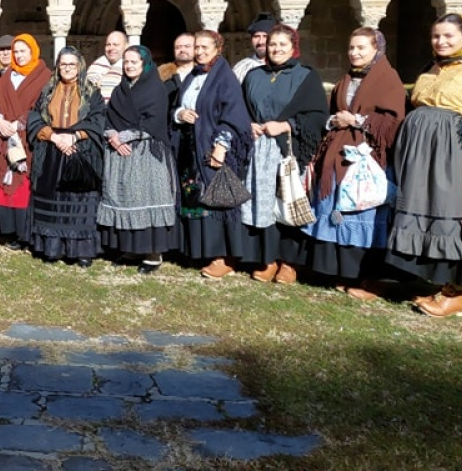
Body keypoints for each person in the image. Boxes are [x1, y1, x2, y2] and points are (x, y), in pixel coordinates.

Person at [385, 14, 462, 317]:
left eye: (448, 36)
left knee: (453, 216)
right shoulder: (433, 67)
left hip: (454, 155)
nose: (441, 42)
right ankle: (439, 283)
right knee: (426, 215)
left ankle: (456, 293)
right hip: (422, 157)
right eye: (436, 36)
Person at [303, 28, 404, 300]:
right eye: (351, 48)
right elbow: (336, 111)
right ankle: (343, 273)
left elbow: (393, 122)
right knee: (339, 208)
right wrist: (337, 121)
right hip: (339, 151)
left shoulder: (388, 79)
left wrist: (357, 121)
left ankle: (370, 279)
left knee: (363, 211)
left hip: (368, 157)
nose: (354, 53)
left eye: (361, 48)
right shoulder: (347, 78)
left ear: (376, 49)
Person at [237, 24, 328, 283]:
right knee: (263, 205)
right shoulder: (254, 75)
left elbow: (318, 115)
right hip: (260, 148)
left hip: (288, 148)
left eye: (282, 45)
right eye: (272, 44)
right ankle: (267, 260)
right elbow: (242, 107)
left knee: (287, 202)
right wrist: (249, 123)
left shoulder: (305, 76)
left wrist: (288, 125)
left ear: (293, 47)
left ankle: (289, 263)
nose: (276, 49)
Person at [172, 31, 253, 279]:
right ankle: (197, 250)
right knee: (194, 198)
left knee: (216, 198)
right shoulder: (193, 76)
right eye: (197, 47)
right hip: (189, 147)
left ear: (218, 48)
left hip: (213, 147)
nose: (199, 52)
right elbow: (178, 105)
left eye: (205, 47)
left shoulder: (224, 78)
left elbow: (234, 114)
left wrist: (222, 145)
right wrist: (180, 114)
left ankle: (222, 256)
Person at [100, 46, 179, 274]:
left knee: (144, 197)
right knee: (125, 197)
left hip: (146, 150)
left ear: (144, 64)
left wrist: (128, 135)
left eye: (134, 62)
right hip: (120, 152)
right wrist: (112, 136)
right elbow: (109, 116)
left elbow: (154, 121)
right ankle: (130, 248)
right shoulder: (120, 89)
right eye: (126, 61)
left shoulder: (155, 89)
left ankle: (152, 253)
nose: (129, 65)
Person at [28, 47, 106, 265]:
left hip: (79, 151)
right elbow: (35, 117)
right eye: (63, 64)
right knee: (54, 202)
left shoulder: (91, 92)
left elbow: (98, 119)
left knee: (79, 204)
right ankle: (53, 249)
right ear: (58, 66)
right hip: (52, 152)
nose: (68, 69)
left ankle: (81, 251)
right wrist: (52, 137)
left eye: (72, 64)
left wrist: (75, 136)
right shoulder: (48, 90)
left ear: (79, 65)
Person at [0, 34, 52, 251]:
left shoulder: (44, 76)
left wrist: (18, 124)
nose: (18, 55)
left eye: (22, 51)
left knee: (26, 187)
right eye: (15, 51)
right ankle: (12, 231)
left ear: (33, 51)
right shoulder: (7, 76)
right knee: (7, 184)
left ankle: (29, 234)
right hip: (5, 136)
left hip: (29, 138)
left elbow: (44, 107)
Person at [233, 12, 275, 84]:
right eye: (256, 36)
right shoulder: (242, 67)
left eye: (265, 36)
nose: (260, 42)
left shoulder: (282, 66)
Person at [85, 30, 127, 101]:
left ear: (126, 46)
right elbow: (86, 90)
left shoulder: (131, 67)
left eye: (115, 45)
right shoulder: (96, 66)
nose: (111, 48)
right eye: (108, 44)